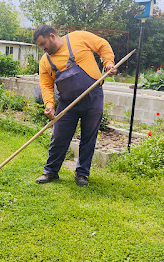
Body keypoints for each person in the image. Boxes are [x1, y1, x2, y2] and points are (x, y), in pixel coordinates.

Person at [34, 25, 117, 186]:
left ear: (52, 36)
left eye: (43, 43)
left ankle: (82, 174)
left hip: (93, 97)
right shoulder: (45, 61)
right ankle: (50, 171)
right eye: (40, 46)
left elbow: (102, 45)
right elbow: (46, 85)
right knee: (58, 136)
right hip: (67, 103)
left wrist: (108, 63)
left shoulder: (78, 37)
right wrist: (49, 104)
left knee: (89, 137)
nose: (43, 48)